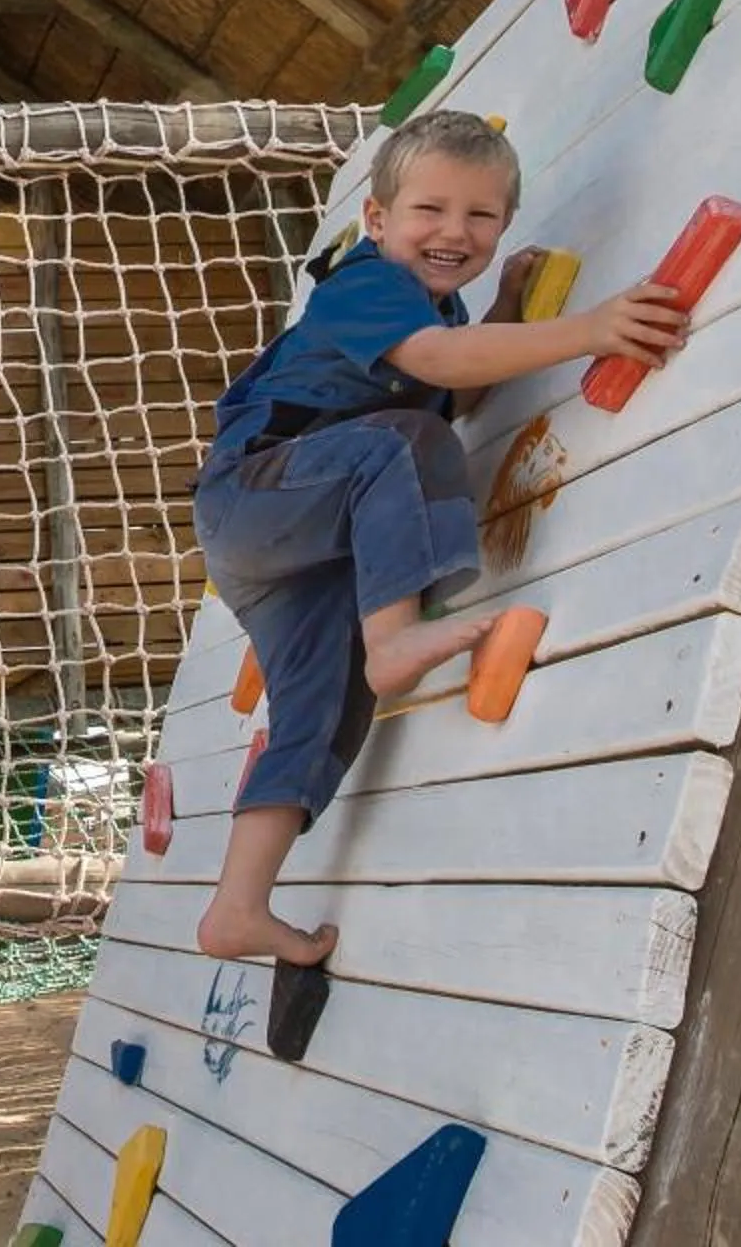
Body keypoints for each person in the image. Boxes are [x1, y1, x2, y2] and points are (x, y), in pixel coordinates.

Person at [188, 110, 687, 966]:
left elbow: (463, 389)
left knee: (319, 711)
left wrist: (504, 308)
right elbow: (440, 369)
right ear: (377, 220)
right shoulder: (364, 284)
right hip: (258, 495)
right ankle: (393, 641)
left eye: (481, 216)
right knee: (403, 442)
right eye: (430, 210)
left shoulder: (439, 310)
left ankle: (237, 908)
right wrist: (591, 330)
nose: (455, 232)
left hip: (305, 542)